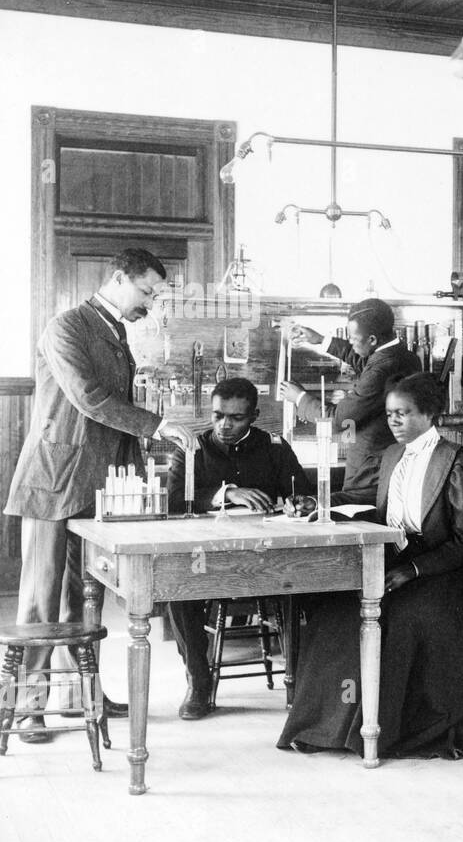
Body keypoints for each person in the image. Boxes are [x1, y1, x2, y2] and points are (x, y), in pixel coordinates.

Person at [4, 248, 197, 744]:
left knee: (84, 595)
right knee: (40, 600)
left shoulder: (115, 332)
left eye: (155, 295)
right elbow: (89, 399)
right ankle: (29, 707)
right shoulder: (67, 326)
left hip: (96, 484)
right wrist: (158, 425)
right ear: (117, 278)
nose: (150, 304)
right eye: (146, 292)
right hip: (53, 478)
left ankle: (80, 693)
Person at [278, 373, 463, 758]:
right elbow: (375, 504)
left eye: (403, 414)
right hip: (397, 561)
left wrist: (415, 570)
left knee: (399, 616)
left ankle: (380, 731)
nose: (394, 422)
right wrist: (319, 504)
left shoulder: (456, 461)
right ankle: (327, 728)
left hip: (449, 573)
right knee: (335, 609)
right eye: (389, 414)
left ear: (429, 414)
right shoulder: (391, 456)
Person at [163, 378, 310, 720]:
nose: (224, 425)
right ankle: (199, 681)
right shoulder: (192, 449)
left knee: (304, 582)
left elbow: (301, 492)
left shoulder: (274, 446)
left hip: (266, 555)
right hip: (208, 557)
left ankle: (299, 682)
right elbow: (172, 503)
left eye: (236, 418)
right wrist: (225, 493)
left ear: (254, 416)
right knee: (178, 592)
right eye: (217, 416)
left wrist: (299, 504)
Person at [281, 298, 421, 494]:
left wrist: (299, 398)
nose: (351, 344)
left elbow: (339, 419)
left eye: (354, 339)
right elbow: (367, 361)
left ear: (372, 340)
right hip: (389, 466)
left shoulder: (380, 370)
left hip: (370, 474)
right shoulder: (403, 357)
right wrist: (322, 340)